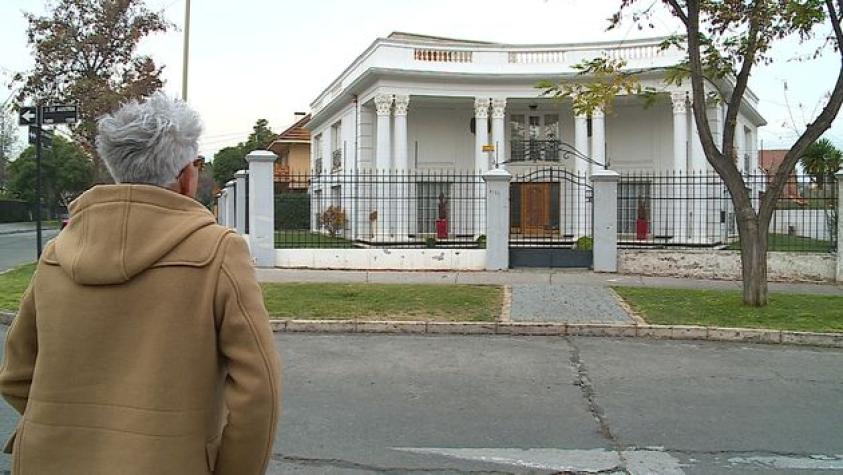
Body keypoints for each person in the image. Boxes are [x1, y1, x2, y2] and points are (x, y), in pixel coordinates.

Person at [0, 92, 281, 474]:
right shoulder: (219, 250)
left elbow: (16, 376)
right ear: (186, 175)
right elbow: (259, 392)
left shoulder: (55, 252)